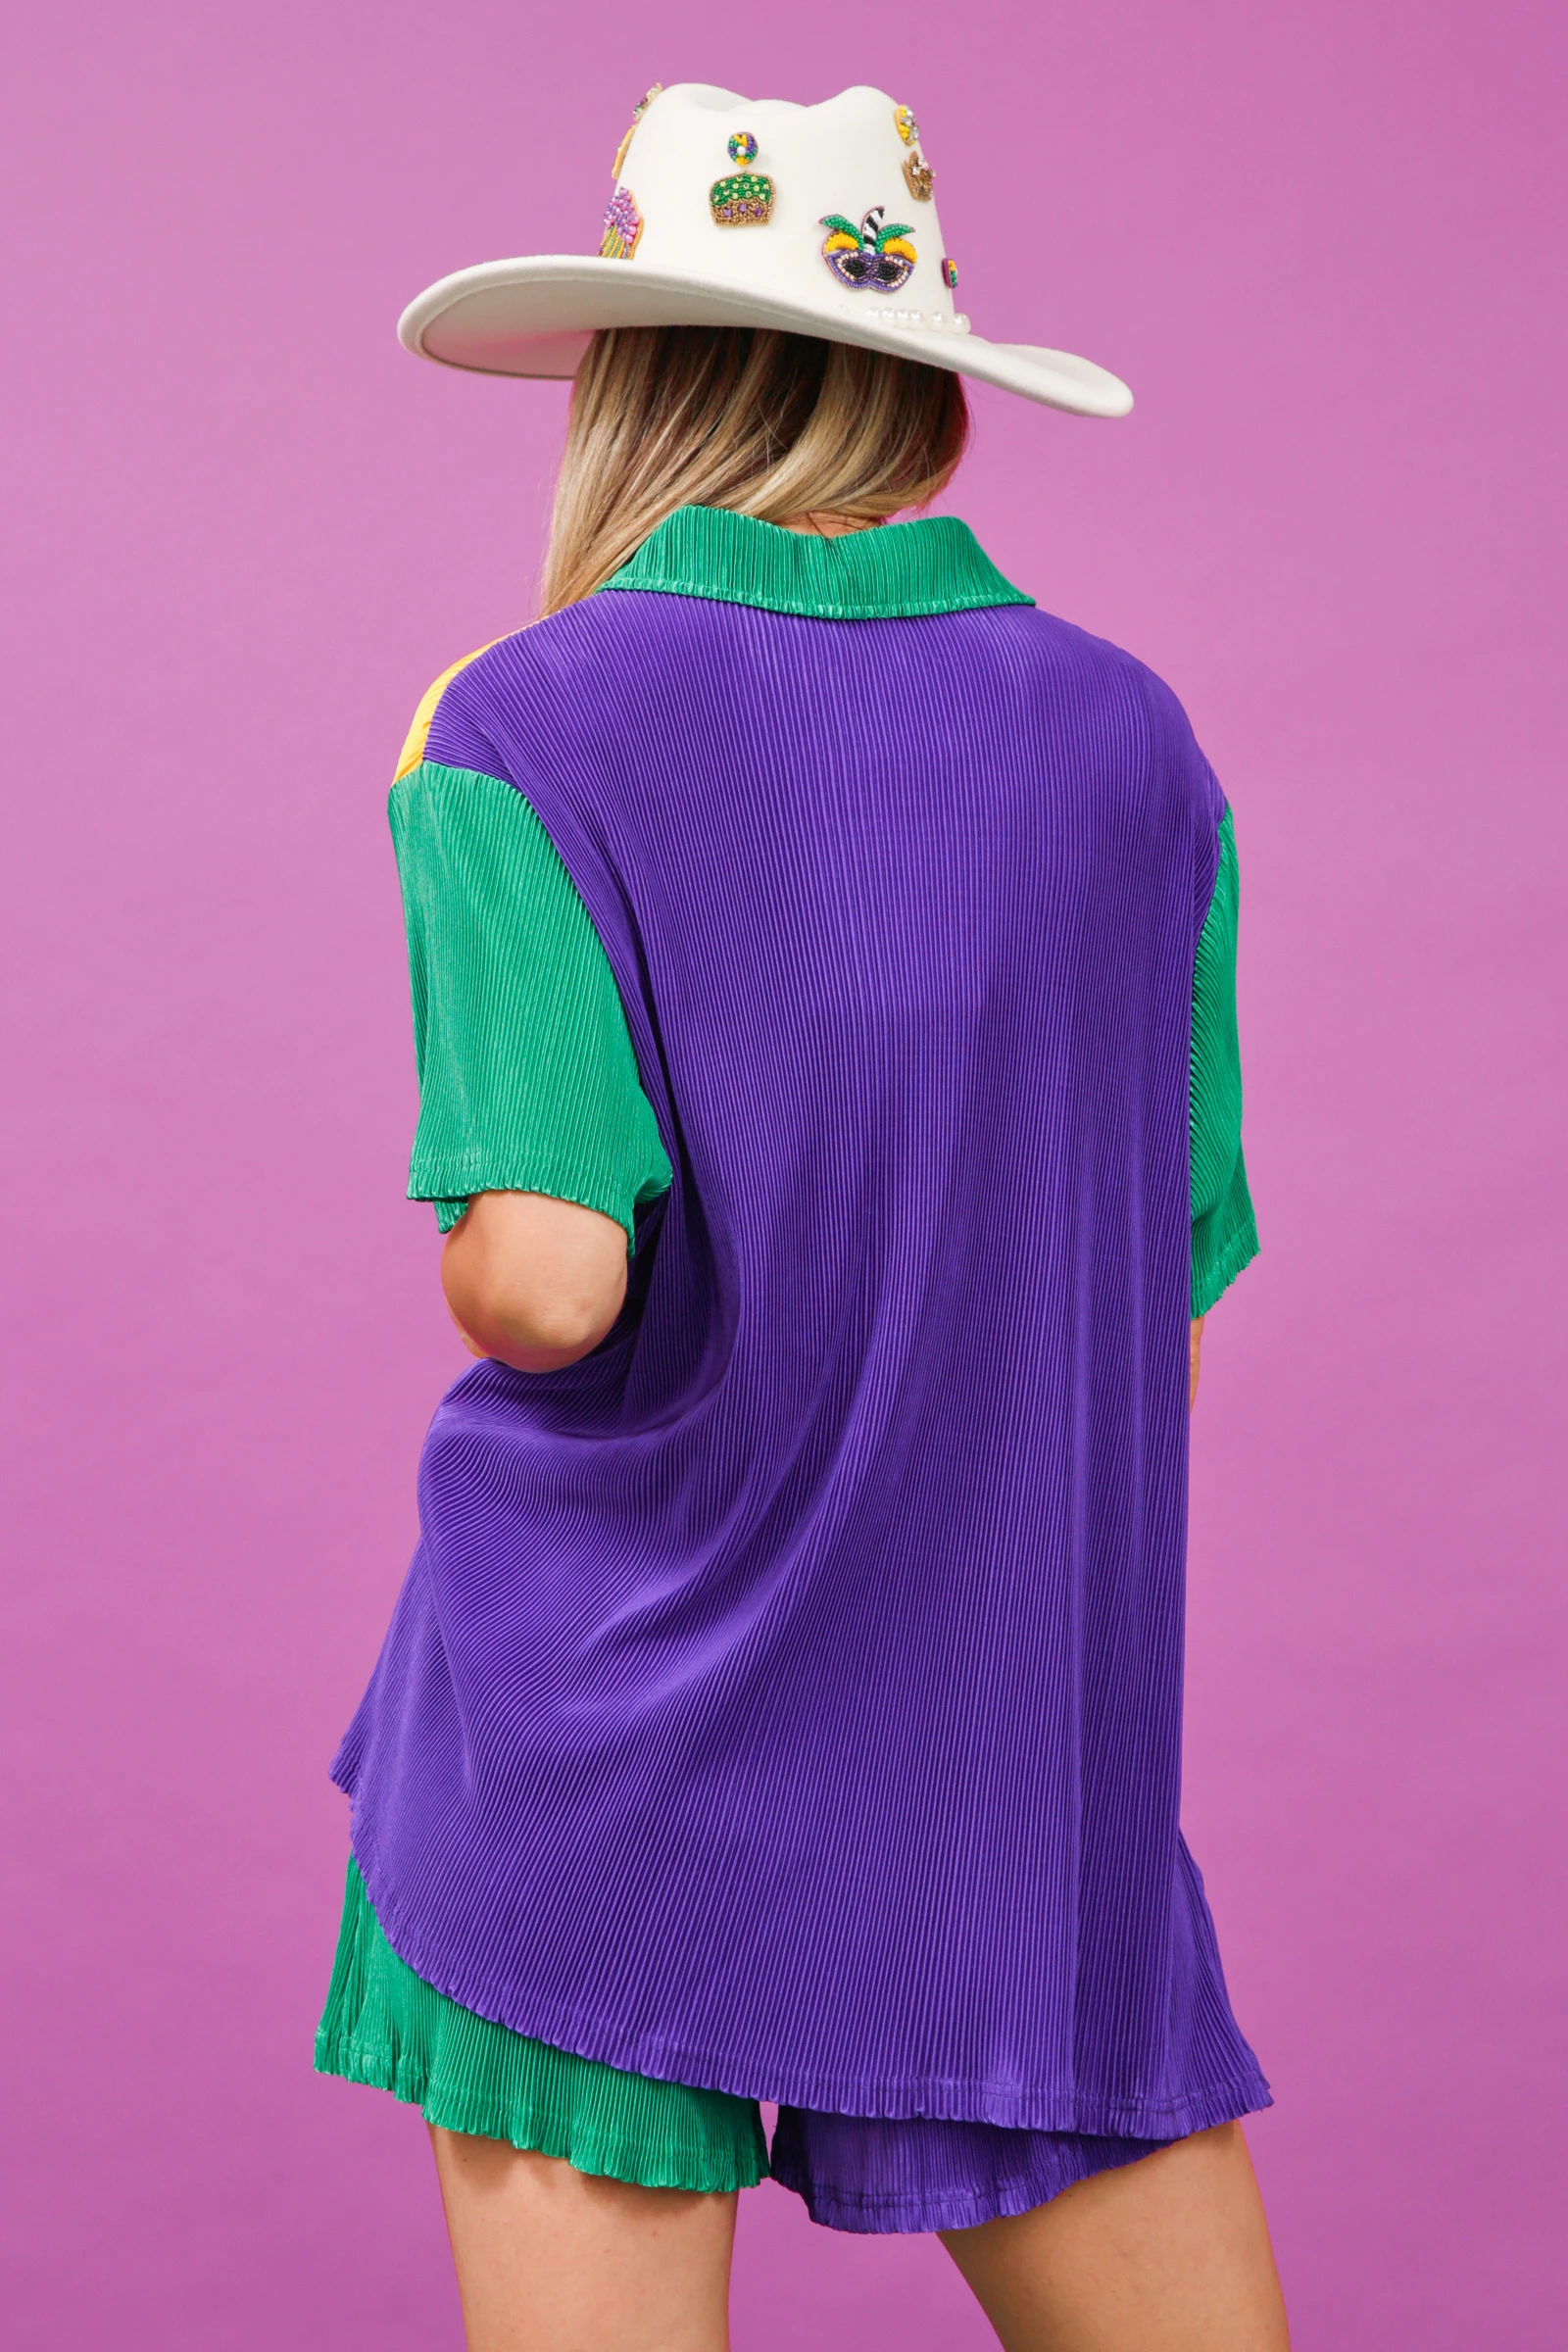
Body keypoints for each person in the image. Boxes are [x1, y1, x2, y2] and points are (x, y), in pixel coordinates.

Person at [316, 81, 1290, 2352]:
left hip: (599, 1745)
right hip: (997, 1780)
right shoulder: (1134, 744)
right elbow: (1156, 1316)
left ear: (627, 379)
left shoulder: (516, 720)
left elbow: (546, 1287)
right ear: (926, 392)